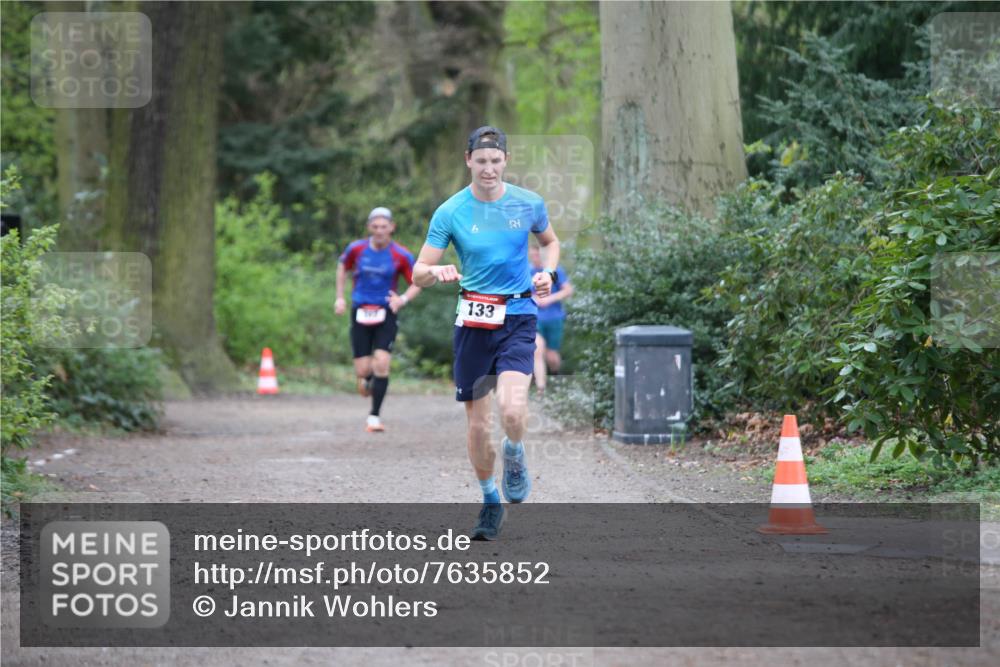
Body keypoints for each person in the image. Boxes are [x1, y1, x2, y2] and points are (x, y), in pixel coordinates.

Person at [412, 126, 561, 541]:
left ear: (506, 161)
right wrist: (433, 272)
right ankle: (489, 500)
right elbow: (417, 272)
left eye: (496, 161)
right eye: (481, 161)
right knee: (479, 425)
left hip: (517, 316)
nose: (489, 169)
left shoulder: (528, 203)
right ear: (468, 161)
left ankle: (514, 452)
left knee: (512, 412)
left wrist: (546, 272)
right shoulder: (450, 211)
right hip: (474, 322)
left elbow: (550, 242)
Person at [335, 207, 422, 433]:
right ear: (369, 228)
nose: (380, 231)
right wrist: (340, 298)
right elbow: (342, 267)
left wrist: (402, 299)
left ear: (392, 227)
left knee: (382, 363)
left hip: (386, 311)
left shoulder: (401, 254)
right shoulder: (357, 249)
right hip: (361, 310)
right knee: (364, 370)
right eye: (375, 226)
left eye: (384, 227)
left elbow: (418, 281)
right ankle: (366, 379)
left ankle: (374, 417)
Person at [528, 243, 573, 393]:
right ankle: (541, 387)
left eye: (538, 254)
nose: (535, 257)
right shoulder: (526, 271)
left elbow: (568, 290)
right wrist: (532, 298)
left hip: (554, 317)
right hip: (534, 317)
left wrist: (550, 299)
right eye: (533, 254)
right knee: (537, 348)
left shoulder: (554, 271)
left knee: (551, 356)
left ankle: (555, 375)